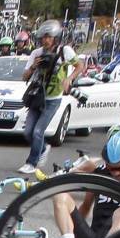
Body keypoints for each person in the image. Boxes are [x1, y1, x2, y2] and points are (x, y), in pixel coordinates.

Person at [18, 20, 80, 176]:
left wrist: (69, 78)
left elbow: (80, 65)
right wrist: (33, 67)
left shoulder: (64, 51)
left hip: (53, 98)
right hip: (37, 96)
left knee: (38, 131)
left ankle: (31, 163)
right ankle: (43, 148)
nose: (45, 40)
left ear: (55, 37)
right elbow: (24, 77)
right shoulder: (36, 53)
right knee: (28, 132)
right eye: (43, 37)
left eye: (49, 37)